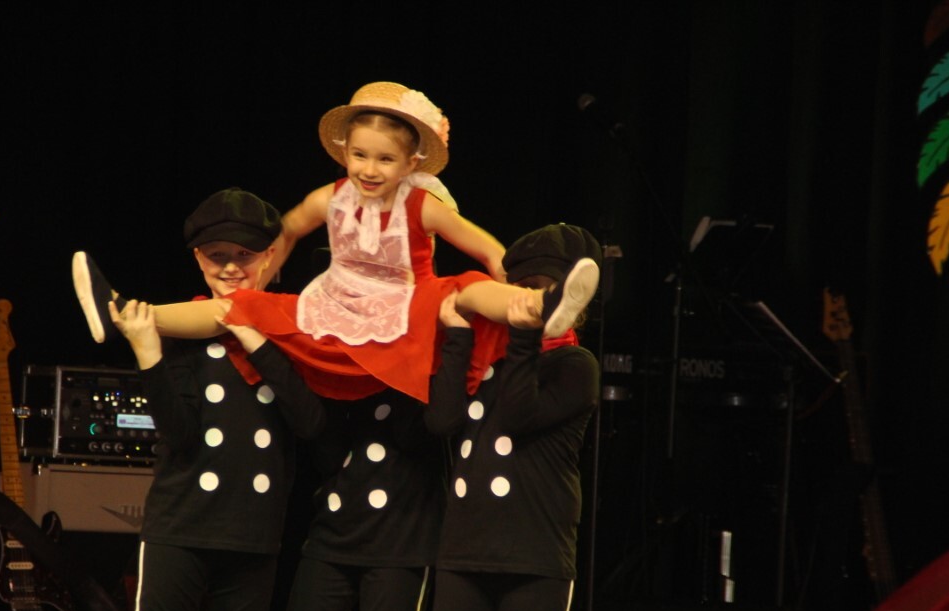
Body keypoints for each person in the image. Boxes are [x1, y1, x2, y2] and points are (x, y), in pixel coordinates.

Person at [73, 82, 599, 403]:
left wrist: (507, 283)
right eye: (360, 156)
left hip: (407, 304)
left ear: (410, 164)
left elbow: (484, 246)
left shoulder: (420, 205)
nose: (370, 169)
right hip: (338, 305)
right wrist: (264, 275)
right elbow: (289, 228)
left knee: (466, 287)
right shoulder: (329, 198)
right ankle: (122, 311)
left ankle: (542, 305)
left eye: (386, 160)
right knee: (238, 307)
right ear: (345, 151)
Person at [112, 189, 326, 611]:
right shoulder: (182, 330)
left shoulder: (290, 328)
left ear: (269, 256)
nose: (231, 267)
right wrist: (149, 354)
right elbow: (180, 435)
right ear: (198, 259)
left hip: (252, 529)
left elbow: (310, 421)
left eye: (244, 255)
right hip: (182, 522)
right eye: (217, 256)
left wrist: (257, 341)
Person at [419, 224, 601, 611]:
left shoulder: (575, 366)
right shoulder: (489, 362)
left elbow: (520, 415)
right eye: (521, 288)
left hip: (533, 554)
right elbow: (441, 421)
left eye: (543, 289)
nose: (527, 300)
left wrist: (522, 339)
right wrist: (458, 339)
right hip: (464, 549)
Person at [278, 381, 445, 611]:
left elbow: (413, 435)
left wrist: (391, 371)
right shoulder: (344, 375)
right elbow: (326, 453)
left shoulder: (420, 372)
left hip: (401, 540)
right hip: (334, 531)